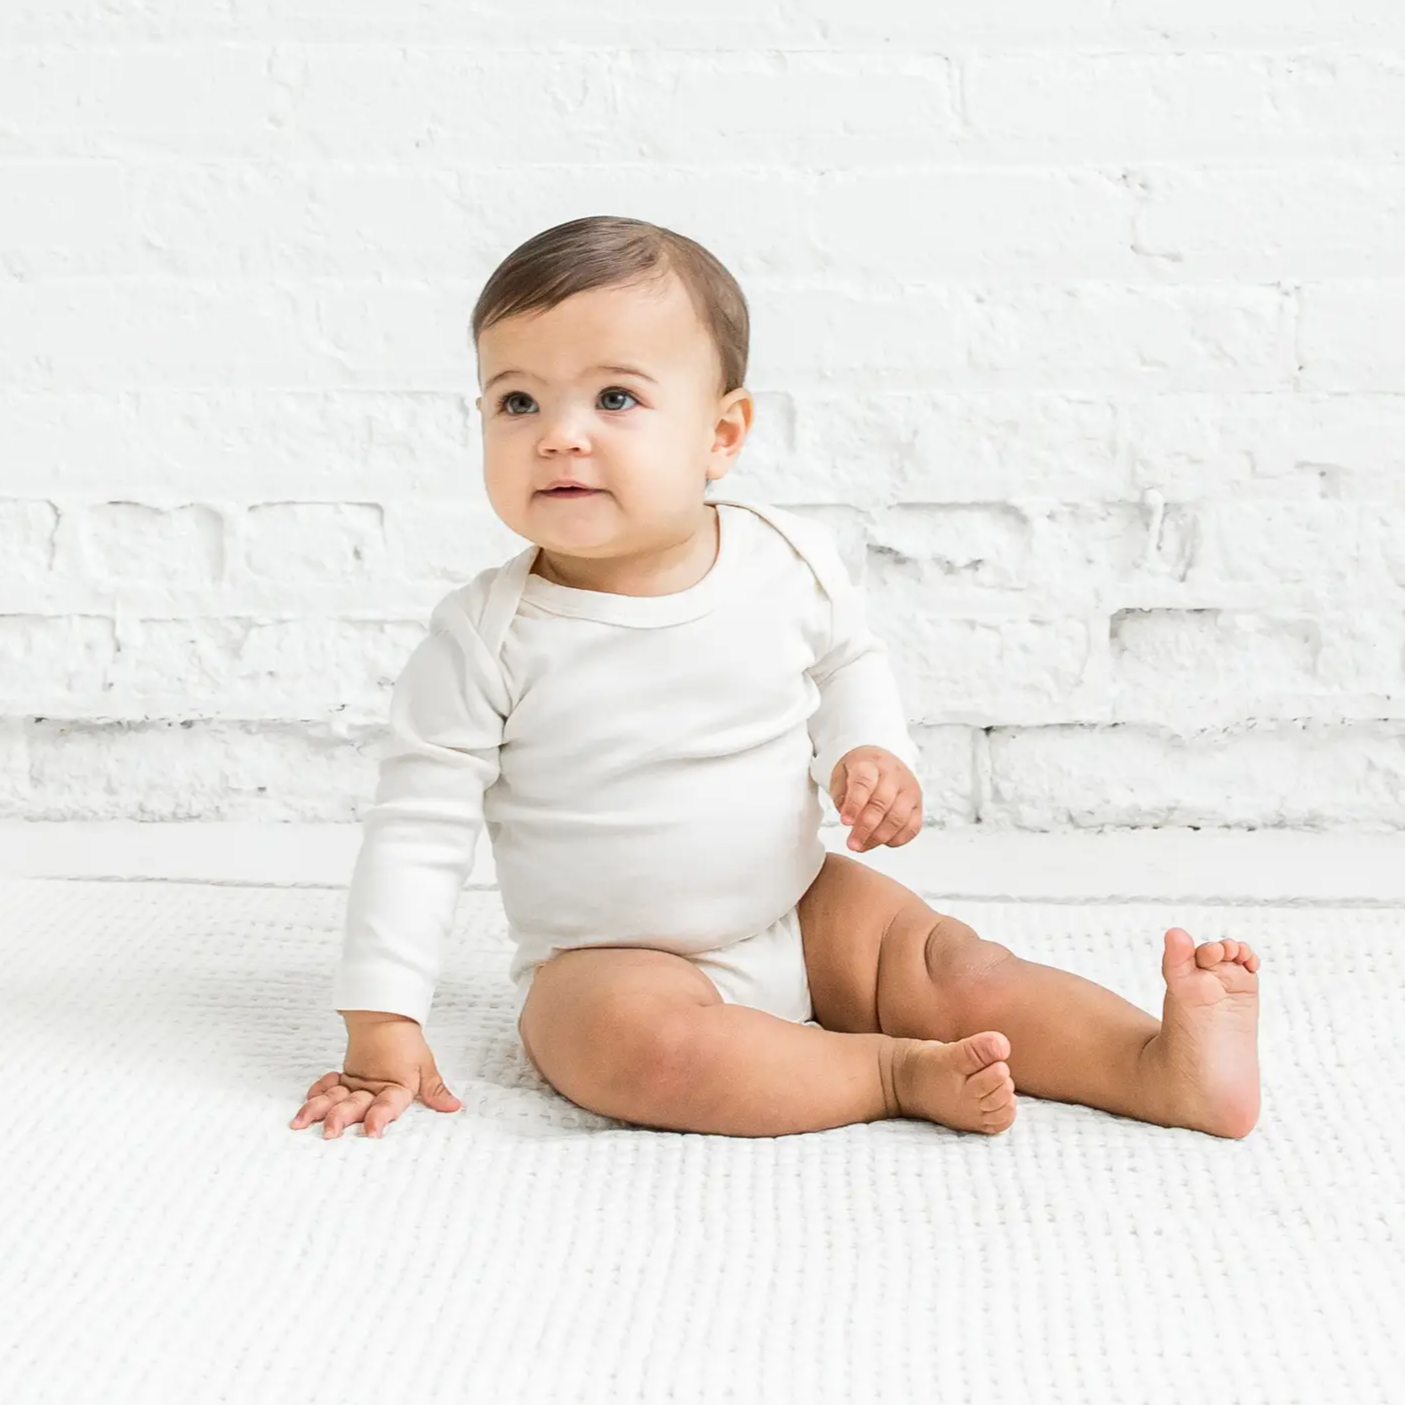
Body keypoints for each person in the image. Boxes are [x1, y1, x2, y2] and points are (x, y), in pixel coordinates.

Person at [290, 215, 1261, 1143]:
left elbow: (848, 660)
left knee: (958, 967)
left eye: (615, 398)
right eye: (517, 401)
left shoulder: (781, 558)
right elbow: (417, 825)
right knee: (626, 1050)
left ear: (722, 433)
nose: (559, 435)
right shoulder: (486, 634)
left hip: (802, 904)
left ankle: (1153, 1064)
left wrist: (870, 748)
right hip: (613, 958)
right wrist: (382, 1016)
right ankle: (885, 1072)